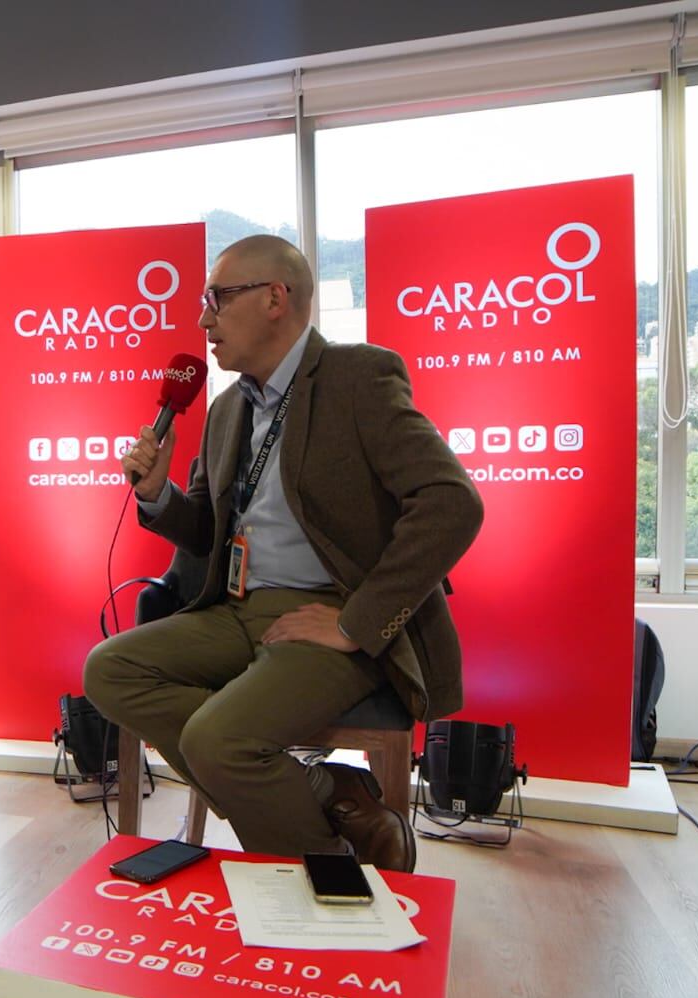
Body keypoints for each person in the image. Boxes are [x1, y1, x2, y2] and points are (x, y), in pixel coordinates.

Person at [83, 235, 483, 873]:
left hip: (331, 618)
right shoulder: (223, 411)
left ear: (276, 298)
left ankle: (329, 880)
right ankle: (327, 796)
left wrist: (356, 622)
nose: (203, 319)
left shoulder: (358, 377)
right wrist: (157, 496)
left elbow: (452, 504)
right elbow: (211, 532)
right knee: (109, 669)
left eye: (217, 298)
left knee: (217, 741)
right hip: (238, 608)